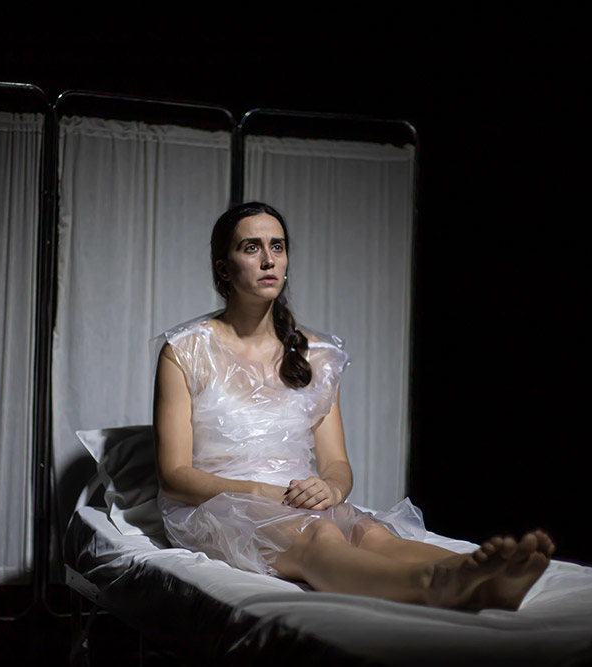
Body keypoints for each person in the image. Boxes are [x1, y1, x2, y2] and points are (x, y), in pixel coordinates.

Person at [153, 202, 554, 610]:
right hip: (219, 505)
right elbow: (174, 477)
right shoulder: (185, 350)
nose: (269, 259)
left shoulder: (317, 355)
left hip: (296, 498)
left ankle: (482, 574)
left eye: (278, 246)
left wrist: (330, 488)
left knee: (371, 534)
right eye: (252, 247)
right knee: (321, 535)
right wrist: (261, 492)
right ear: (224, 269)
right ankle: (434, 585)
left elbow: (336, 463)